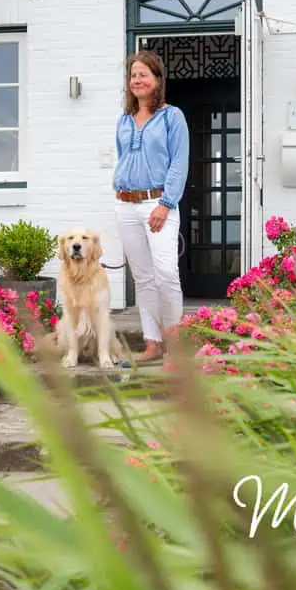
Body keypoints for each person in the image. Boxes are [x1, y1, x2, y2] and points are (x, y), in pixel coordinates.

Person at [112, 50, 189, 364]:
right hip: (125, 205)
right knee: (143, 278)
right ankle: (152, 344)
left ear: (157, 80)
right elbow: (124, 158)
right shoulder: (124, 120)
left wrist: (166, 203)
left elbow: (178, 164)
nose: (137, 80)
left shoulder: (172, 117)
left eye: (144, 74)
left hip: (159, 204)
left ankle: (175, 346)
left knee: (167, 274)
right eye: (133, 75)